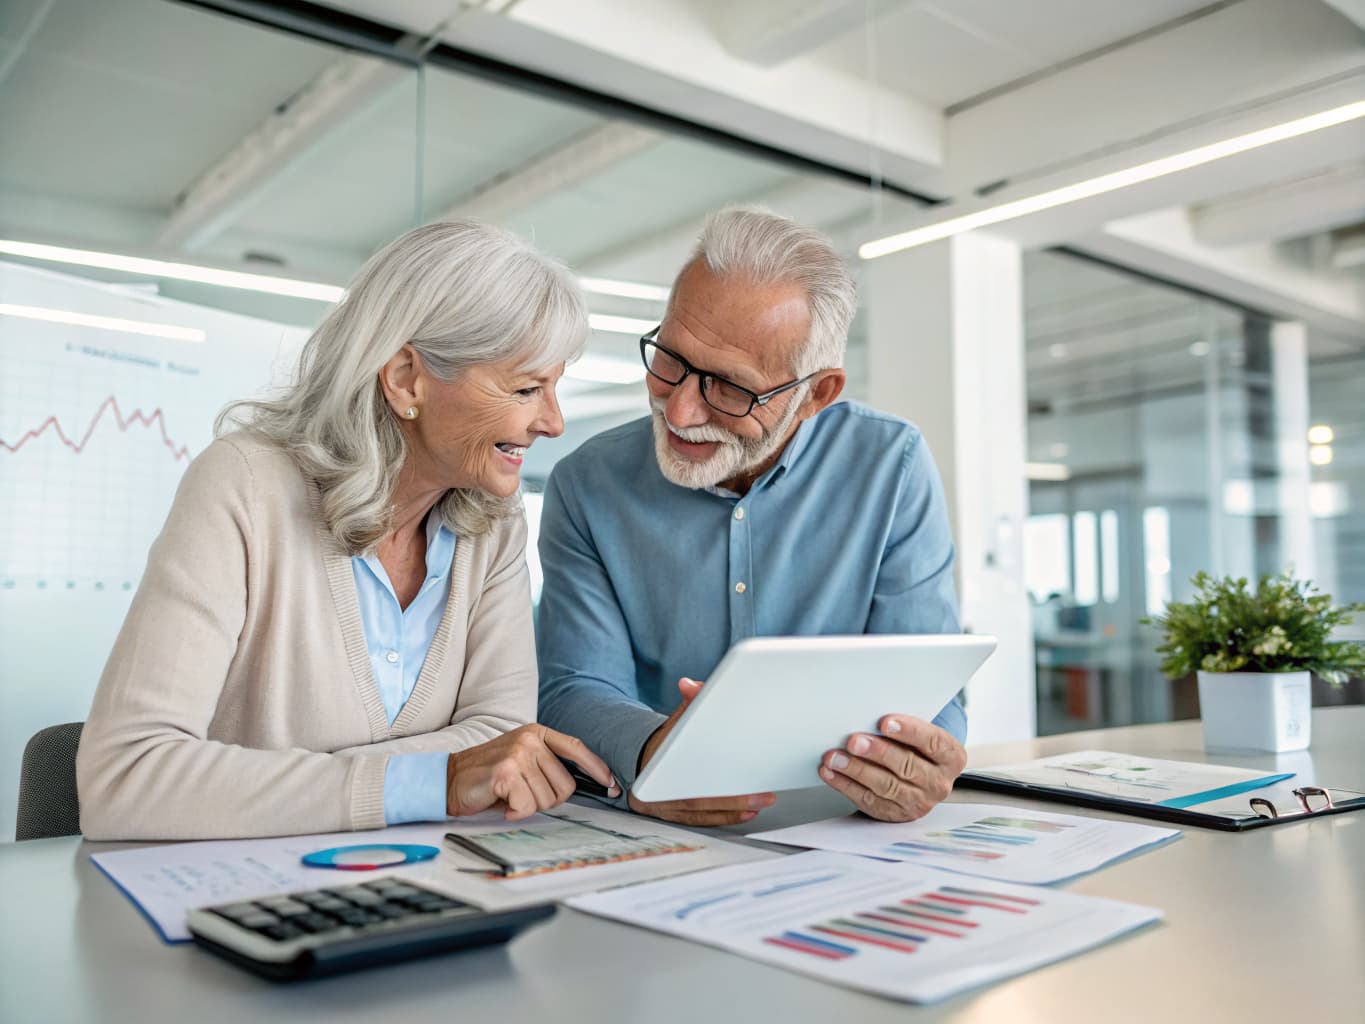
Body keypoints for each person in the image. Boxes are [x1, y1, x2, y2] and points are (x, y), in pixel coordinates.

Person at [77, 221, 618, 841]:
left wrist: (279, 786)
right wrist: (435, 780)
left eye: (554, 387)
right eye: (526, 388)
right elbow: (127, 777)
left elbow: (500, 738)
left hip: (424, 877)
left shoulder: (494, 522)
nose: (553, 421)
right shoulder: (244, 486)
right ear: (407, 377)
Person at [536, 206, 967, 828]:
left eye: (731, 389)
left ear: (816, 393)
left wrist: (916, 762)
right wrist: (655, 755)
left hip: (839, 828)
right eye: (670, 360)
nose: (680, 412)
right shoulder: (587, 484)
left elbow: (927, 678)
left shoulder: (889, 466)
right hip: (654, 824)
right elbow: (573, 688)